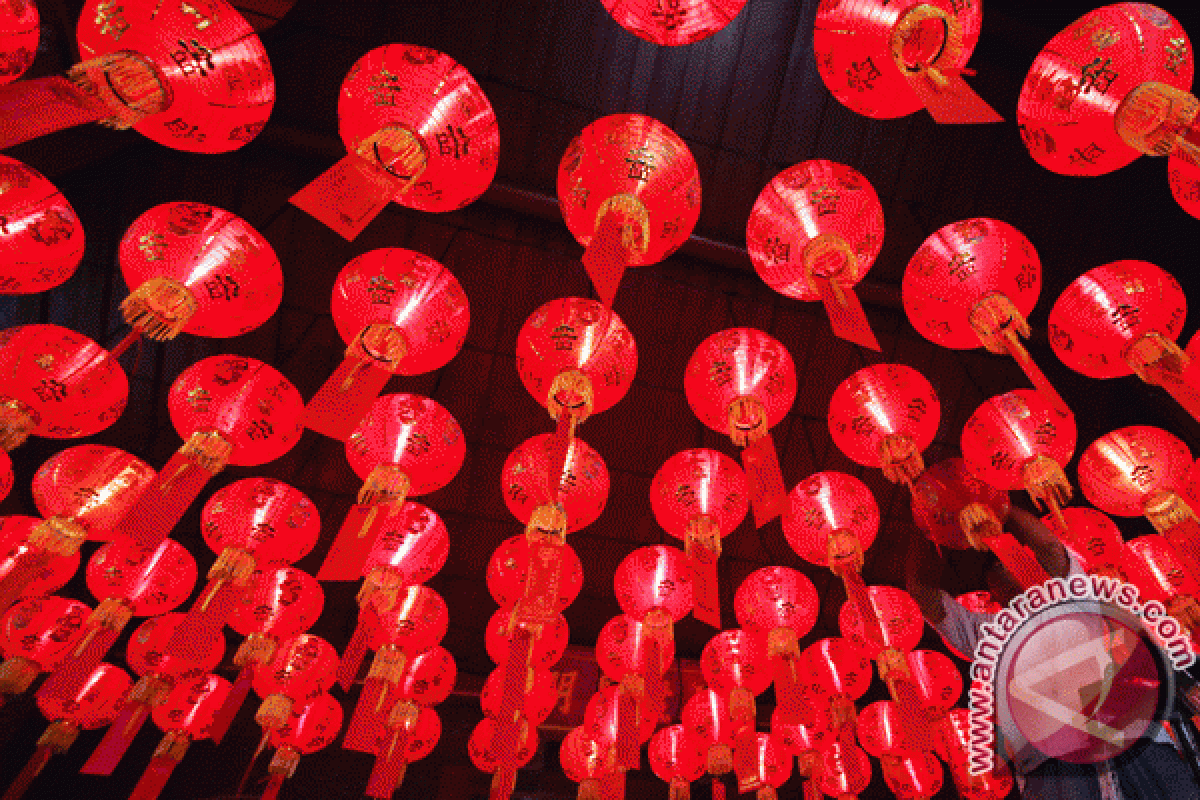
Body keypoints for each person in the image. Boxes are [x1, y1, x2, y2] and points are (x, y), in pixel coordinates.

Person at [905, 503, 1200, 800]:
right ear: (993, 591)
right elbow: (923, 595)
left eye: (1009, 561)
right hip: (1054, 760)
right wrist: (929, 522)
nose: (1007, 572)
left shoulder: (1071, 596)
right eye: (997, 572)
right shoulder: (990, 634)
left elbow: (1048, 546)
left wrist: (1001, 509)